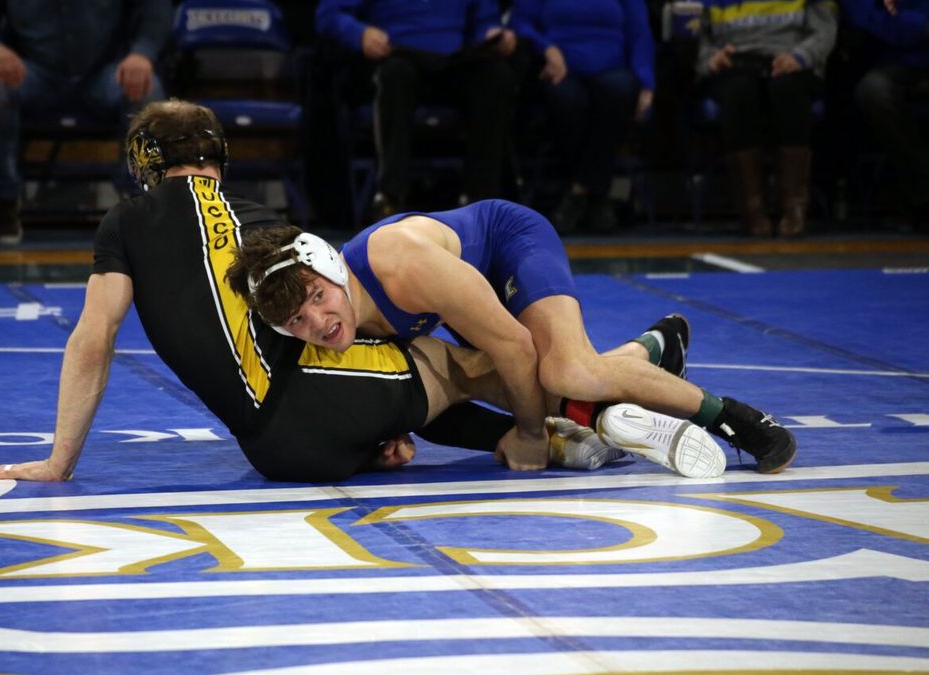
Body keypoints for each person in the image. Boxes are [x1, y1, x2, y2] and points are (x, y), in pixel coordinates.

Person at [0, 100, 686, 485]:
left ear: (142, 170)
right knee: (452, 363)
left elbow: (94, 338)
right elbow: (339, 315)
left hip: (278, 458)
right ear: (218, 160)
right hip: (330, 397)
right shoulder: (258, 222)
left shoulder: (124, 223)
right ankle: (599, 397)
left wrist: (59, 460)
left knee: (406, 378)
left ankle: (574, 424)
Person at [229, 199, 797, 475]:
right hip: (468, 298)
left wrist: (530, 433)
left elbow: (514, 347)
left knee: (564, 373)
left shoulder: (399, 264)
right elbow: (429, 378)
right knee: (490, 376)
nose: (319, 326)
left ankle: (740, 419)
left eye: (318, 300)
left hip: (510, 242)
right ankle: (648, 353)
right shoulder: (341, 322)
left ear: (330, 268)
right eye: (297, 324)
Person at [0, 0, 173, 245]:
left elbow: (156, 3)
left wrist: (143, 52)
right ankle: (3, 200)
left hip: (102, 72)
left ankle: (137, 200)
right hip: (34, 72)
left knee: (148, 89)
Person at [314, 0, 518, 220]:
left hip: (457, 58)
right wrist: (360, 33)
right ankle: (390, 196)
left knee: (496, 76)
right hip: (397, 53)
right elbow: (329, 14)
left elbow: (484, 17)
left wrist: (492, 34)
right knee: (395, 74)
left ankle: (479, 198)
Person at [692, 0, 838, 239]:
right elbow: (696, 35)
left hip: (792, 63)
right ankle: (751, 210)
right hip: (735, 64)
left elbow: (825, 30)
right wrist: (712, 58)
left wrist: (800, 57)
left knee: (788, 91)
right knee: (739, 93)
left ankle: (793, 207)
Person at [509, 0, 656, 234]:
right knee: (566, 100)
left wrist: (647, 84)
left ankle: (578, 193)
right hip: (561, 67)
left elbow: (640, 33)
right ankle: (597, 197)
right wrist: (547, 49)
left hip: (612, 66)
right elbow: (521, 21)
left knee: (622, 91)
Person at [844, 0, 929, 231]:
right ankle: (923, 196)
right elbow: (863, 13)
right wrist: (922, 28)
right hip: (900, 58)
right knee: (875, 92)